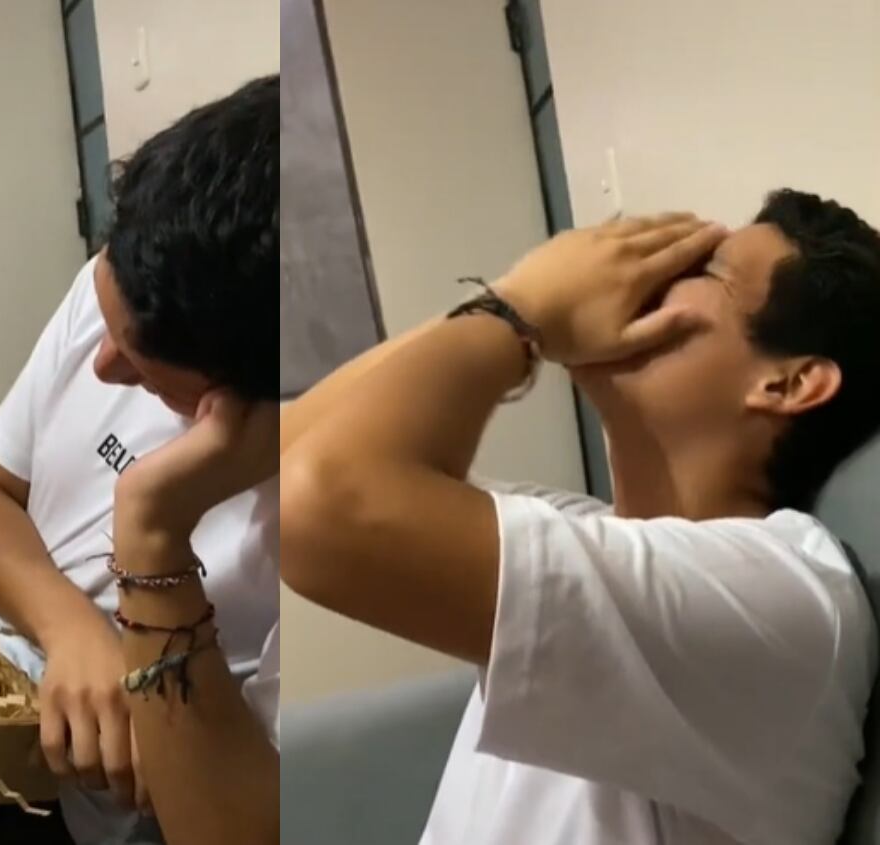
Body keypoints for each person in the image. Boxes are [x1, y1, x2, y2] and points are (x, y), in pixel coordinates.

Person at [280, 190, 880, 844]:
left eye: (704, 270)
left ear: (789, 383)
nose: (646, 278)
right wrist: (514, 297)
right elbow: (291, 459)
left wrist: (520, 313)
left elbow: (325, 506)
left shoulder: (780, 596)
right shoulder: (588, 533)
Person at [0, 75, 279, 845]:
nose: (103, 363)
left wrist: (152, 522)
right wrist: (73, 630)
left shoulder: (304, 510)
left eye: (142, 360)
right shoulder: (119, 280)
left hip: (47, 795)